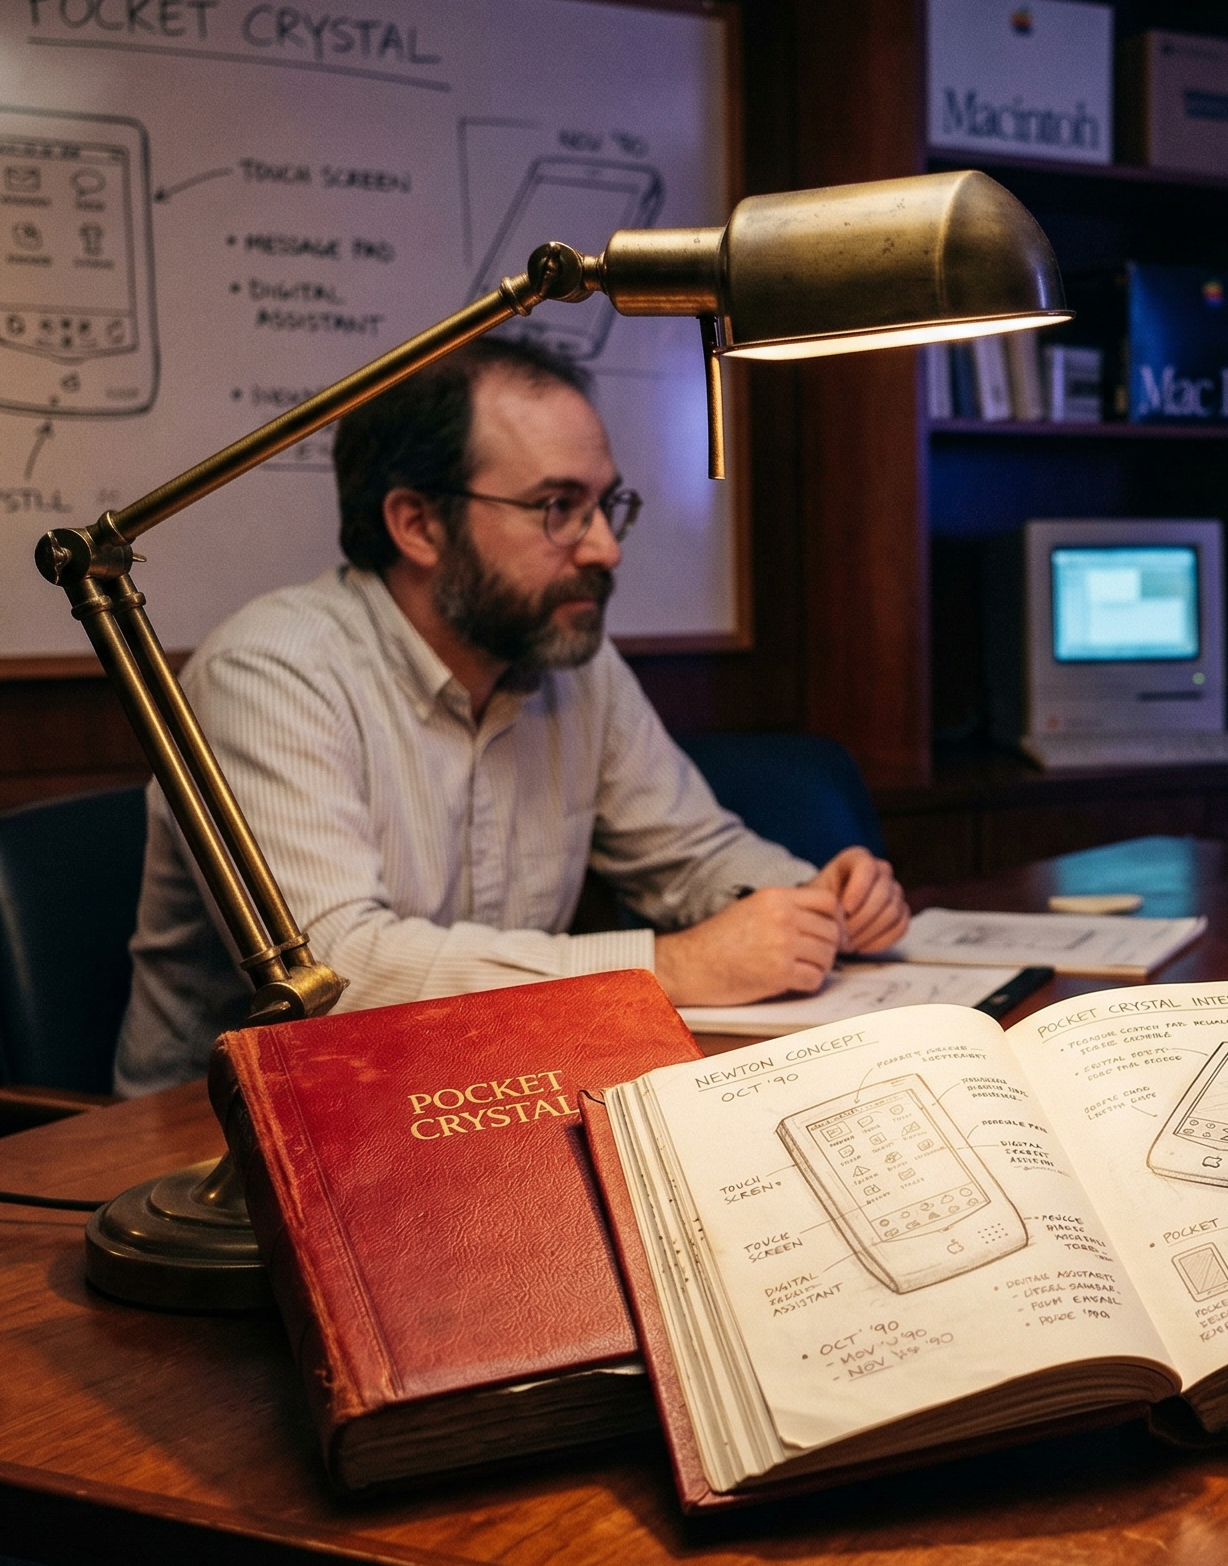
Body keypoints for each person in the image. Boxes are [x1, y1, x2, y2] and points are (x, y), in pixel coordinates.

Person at [116, 337, 907, 1097]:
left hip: (478, 1099)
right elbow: (332, 977)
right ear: (418, 524)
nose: (604, 549)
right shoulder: (269, 671)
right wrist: (673, 966)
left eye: (604, 506)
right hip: (211, 1158)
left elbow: (693, 857)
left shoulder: (572, 662)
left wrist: (813, 901)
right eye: (557, 507)